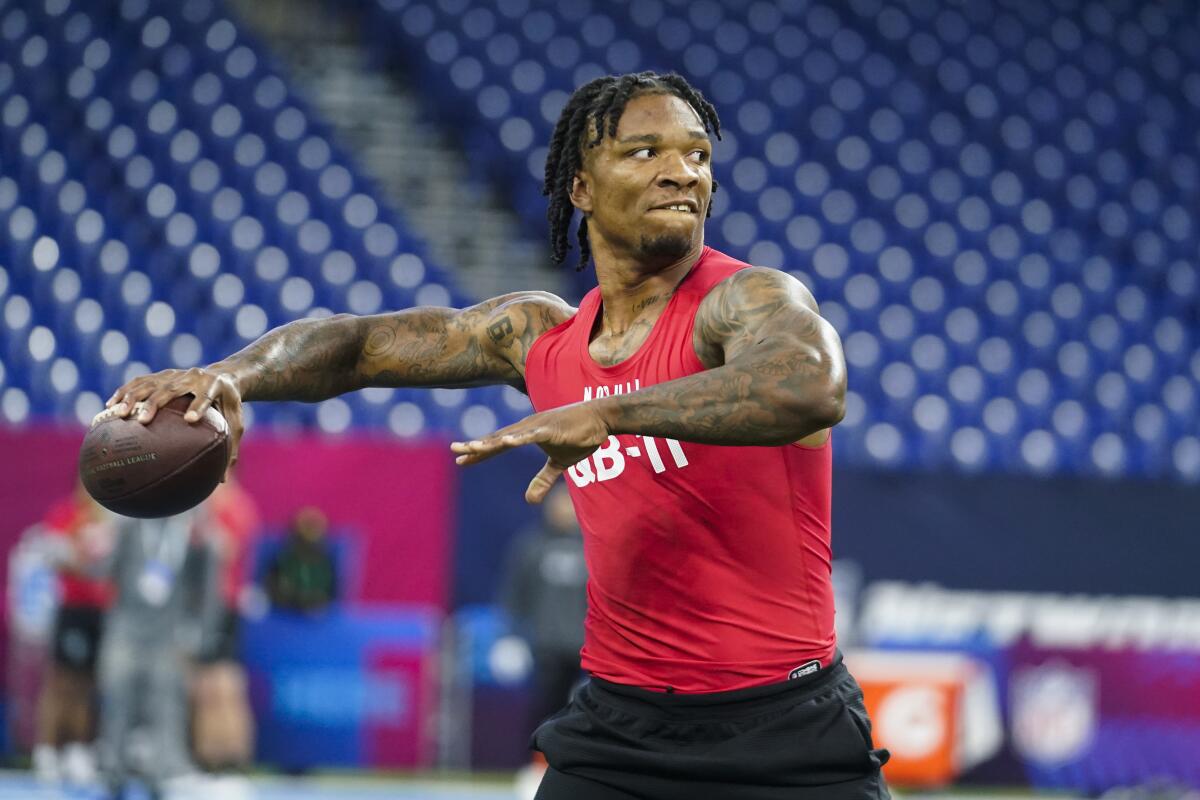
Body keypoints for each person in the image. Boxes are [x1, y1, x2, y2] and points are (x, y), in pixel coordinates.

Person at [105, 71, 890, 798]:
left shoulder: (744, 300)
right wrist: (233, 374)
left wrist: (611, 413)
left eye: (697, 154)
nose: (682, 170)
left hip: (787, 729)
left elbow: (810, 385)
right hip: (621, 730)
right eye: (644, 151)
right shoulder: (541, 339)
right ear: (580, 186)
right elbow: (357, 345)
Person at [96, 509, 221, 797]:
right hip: (126, 627)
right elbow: (104, 568)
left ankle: (164, 771)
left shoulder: (193, 528)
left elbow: (207, 584)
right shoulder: (127, 524)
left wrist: (200, 631)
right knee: (117, 696)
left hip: (169, 631)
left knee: (166, 703)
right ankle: (112, 770)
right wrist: (93, 549)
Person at [32, 482, 117, 787]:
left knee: (89, 682)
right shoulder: (66, 514)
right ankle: (47, 749)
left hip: (102, 611)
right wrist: (83, 566)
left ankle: (78, 748)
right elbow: (54, 556)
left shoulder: (114, 516)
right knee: (62, 680)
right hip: (73, 609)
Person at [500, 482, 588, 736]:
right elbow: (515, 595)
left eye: (570, 502)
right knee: (546, 709)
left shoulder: (593, 546)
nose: (565, 508)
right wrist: (511, 637)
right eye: (560, 502)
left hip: (590, 648)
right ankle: (539, 763)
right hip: (547, 647)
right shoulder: (532, 546)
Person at [189, 477, 259, 774]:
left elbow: (228, 549)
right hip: (205, 604)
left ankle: (227, 757)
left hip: (219, 604)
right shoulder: (209, 502)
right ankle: (214, 757)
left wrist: (205, 526)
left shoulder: (231, 505)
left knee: (221, 683)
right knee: (207, 683)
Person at [262, 506, 338, 613]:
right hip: (283, 612)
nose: (310, 534)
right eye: (307, 527)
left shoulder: (325, 561)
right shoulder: (284, 558)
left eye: (314, 528)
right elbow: (272, 588)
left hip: (315, 615)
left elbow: (329, 593)